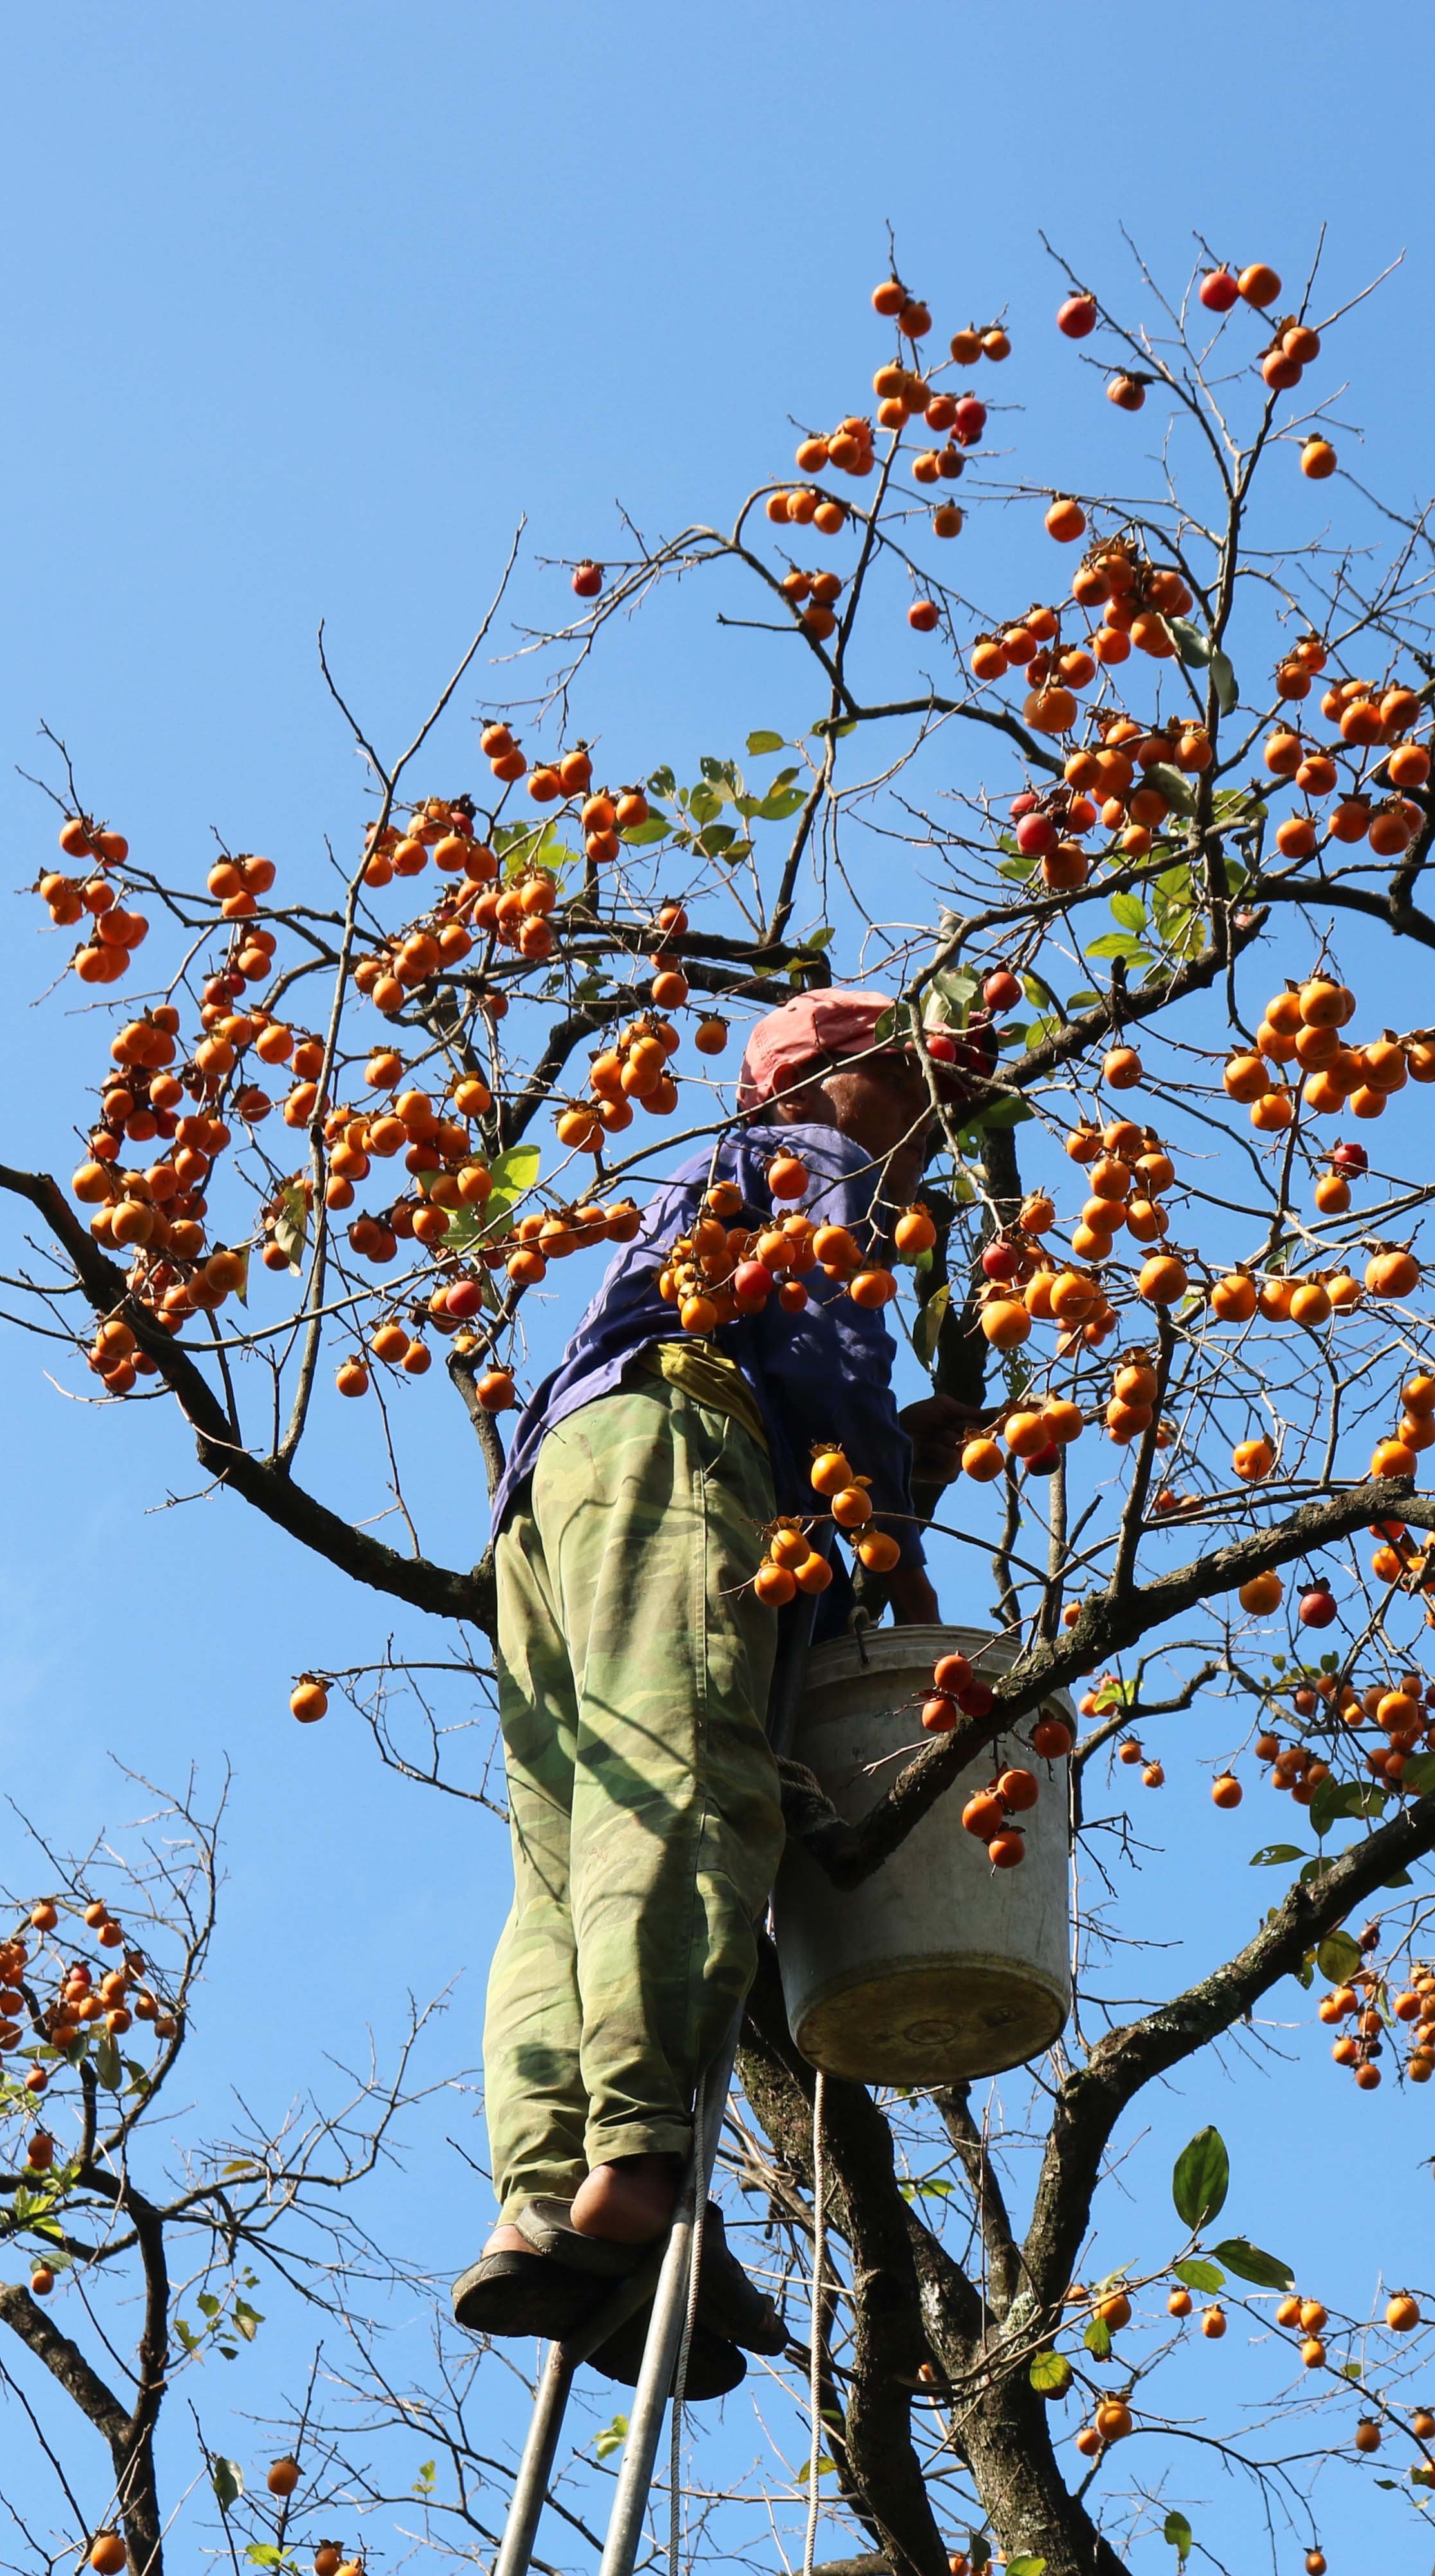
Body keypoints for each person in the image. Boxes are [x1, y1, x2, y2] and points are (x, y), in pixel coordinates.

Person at [450, 987, 980, 2391]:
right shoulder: (811, 1163)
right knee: (689, 1779)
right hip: (675, 1442)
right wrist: (895, 1517)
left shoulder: (710, 1193)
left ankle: (553, 2199)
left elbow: (809, 1367)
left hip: (550, 1503)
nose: (929, 1144)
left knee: (566, 1856)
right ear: (828, 1077)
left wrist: (895, 1463)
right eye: (921, 1099)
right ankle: (640, 2162)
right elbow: (821, 1343)